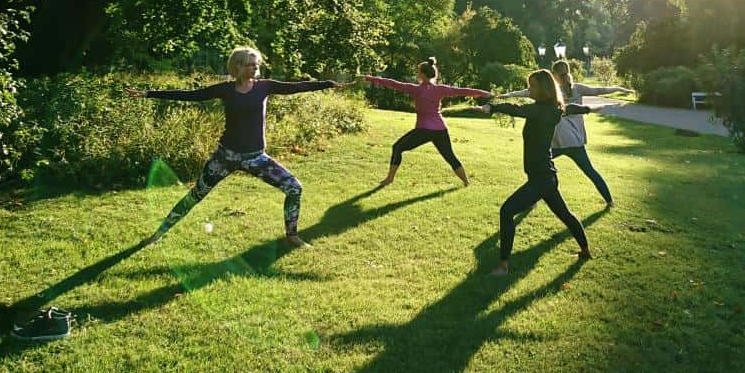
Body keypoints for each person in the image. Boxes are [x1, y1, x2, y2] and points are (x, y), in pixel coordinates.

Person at [126, 46, 347, 248]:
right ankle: (157, 234)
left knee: (294, 188)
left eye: (256, 63)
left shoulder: (264, 87)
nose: (255, 67)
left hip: (255, 157)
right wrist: (148, 93)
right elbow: (191, 96)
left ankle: (292, 236)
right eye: (250, 64)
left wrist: (327, 84)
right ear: (238, 66)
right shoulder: (226, 89)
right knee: (195, 195)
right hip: (225, 157)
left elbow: (297, 87)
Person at [478, 70, 603, 276]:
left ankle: (503, 265)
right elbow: (571, 108)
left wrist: (492, 106)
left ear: (544, 88)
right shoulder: (553, 109)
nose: (530, 90)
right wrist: (588, 109)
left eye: (533, 86)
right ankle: (585, 250)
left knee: (507, 211)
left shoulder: (541, 111)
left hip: (541, 178)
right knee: (565, 215)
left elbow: (516, 109)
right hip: (546, 176)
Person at [500, 59, 631, 207]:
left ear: (554, 74)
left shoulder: (551, 91)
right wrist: (620, 88)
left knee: (537, 167)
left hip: (557, 141)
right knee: (590, 171)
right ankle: (610, 201)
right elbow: (600, 90)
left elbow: (526, 92)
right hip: (575, 141)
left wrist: (506, 95)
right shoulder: (578, 88)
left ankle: (532, 200)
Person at [364, 57, 491, 186]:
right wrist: (483, 93)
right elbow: (462, 91)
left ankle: (389, 179)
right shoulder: (440, 89)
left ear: (422, 74)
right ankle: (466, 182)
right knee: (449, 156)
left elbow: (393, 83)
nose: (417, 73)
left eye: (418, 71)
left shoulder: (416, 89)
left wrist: (369, 78)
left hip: (424, 130)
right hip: (440, 129)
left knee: (397, 147)